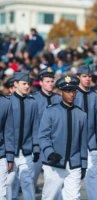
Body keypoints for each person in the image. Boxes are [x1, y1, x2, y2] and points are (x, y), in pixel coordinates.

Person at [38, 75, 88, 200]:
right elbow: (43, 136)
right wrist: (50, 153)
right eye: (67, 91)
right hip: (54, 162)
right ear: (61, 92)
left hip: (74, 163)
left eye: (73, 91)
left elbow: (83, 142)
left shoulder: (81, 114)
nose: (71, 94)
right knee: (49, 196)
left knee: (73, 197)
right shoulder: (50, 111)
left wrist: (84, 164)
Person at [7, 72, 39, 200]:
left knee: (27, 182)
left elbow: (35, 127)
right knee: (9, 183)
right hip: (10, 151)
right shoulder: (7, 102)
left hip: (26, 151)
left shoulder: (32, 103)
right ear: (15, 84)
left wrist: (36, 147)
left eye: (28, 84)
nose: (27, 86)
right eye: (24, 84)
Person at [74, 65, 97, 200]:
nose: (87, 79)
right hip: (75, 143)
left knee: (91, 175)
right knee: (74, 176)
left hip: (91, 143)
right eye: (84, 76)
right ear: (78, 77)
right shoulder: (73, 94)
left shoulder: (94, 96)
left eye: (89, 76)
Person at [33, 67, 61, 187]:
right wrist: (34, 146)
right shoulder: (34, 99)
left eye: (51, 81)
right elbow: (32, 124)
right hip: (38, 143)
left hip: (55, 144)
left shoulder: (58, 98)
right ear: (41, 82)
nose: (50, 84)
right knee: (31, 179)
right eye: (47, 81)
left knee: (55, 180)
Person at [0, 94, 14, 200]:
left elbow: (8, 132)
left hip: (1, 154)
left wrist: (9, 157)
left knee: (2, 194)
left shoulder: (5, 103)